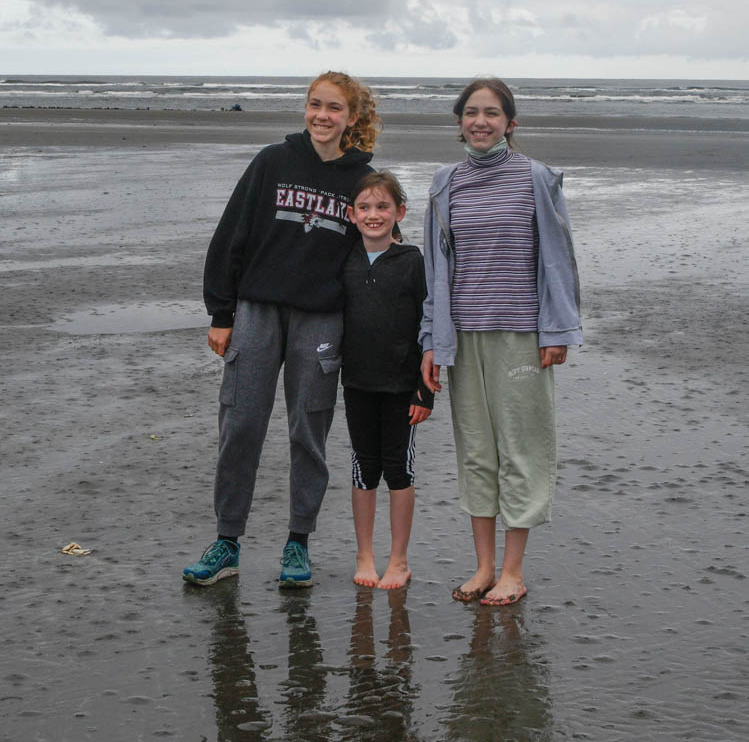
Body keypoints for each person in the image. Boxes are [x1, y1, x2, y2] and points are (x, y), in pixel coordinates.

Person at [183, 72, 380, 587]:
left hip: (321, 319)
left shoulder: (362, 181)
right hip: (256, 311)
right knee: (241, 423)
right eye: (315, 104)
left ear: (352, 118)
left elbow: (369, 260)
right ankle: (227, 542)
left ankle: (298, 543)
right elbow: (232, 235)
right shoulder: (272, 161)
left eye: (334, 108)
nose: (322, 115)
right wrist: (220, 313)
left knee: (307, 431)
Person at [420, 78, 582, 606]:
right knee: (476, 453)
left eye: (492, 113)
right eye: (471, 112)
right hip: (462, 338)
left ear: (511, 123)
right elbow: (434, 272)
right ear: (459, 122)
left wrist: (557, 330)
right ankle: (484, 566)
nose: (480, 122)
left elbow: (560, 258)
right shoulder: (445, 184)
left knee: (522, 450)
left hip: (521, 336)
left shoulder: (536, 178)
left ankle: (513, 570)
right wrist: (430, 341)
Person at [342, 171, 433, 589]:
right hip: (357, 383)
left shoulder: (414, 261)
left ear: (400, 212)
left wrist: (425, 390)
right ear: (351, 214)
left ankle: (398, 559)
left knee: (399, 470)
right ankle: (365, 555)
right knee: (364, 469)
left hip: (402, 388)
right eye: (364, 207)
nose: (373, 214)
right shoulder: (345, 260)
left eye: (382, 207)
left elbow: (428, 326)